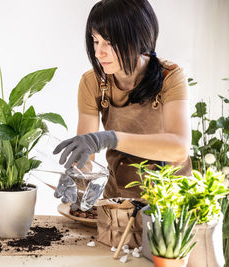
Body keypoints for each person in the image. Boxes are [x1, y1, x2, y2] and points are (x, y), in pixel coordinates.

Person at [53, 0, 192, 203]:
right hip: (117, 201)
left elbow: (178, 148)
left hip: (169, 203)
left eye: (109, 42)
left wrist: (109, 138)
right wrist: (76, 178)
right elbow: (86, 157)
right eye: (95, 41)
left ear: (138, 38)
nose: (99, 53)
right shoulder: (92, 82)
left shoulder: (170, 76)